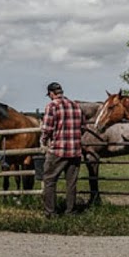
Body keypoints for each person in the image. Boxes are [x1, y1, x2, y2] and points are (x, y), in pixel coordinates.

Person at [40, 82, 84, 218]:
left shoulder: (52, 106)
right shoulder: (76, 105)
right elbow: (82, 126)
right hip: (75, 150)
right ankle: (70, 211)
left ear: (51, 93)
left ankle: (50, 212)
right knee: (71, 183)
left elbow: (47, 128)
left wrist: (43, 140)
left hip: (58, 149)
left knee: (49, 180)